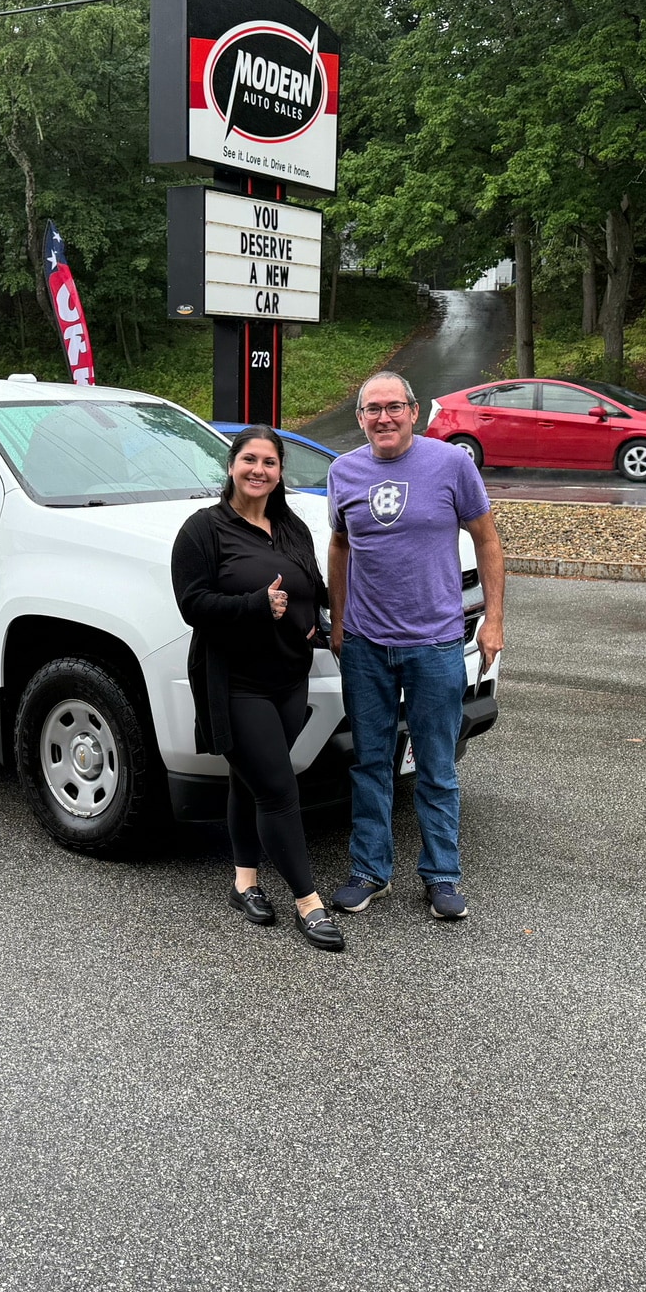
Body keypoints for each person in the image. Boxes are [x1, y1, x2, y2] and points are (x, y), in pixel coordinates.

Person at [326, 371, 505, 920]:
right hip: (365, 646)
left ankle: (442, 876)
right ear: (360, 418)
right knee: (371, 763)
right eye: (373, 409)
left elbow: (488, 540)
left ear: (413, 410)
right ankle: (369, 871)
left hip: (435, 644)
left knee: (435, 765)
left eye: (394, 407)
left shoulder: (452, 465)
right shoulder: (344, 471)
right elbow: (339, 546)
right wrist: (338, 621)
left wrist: (494, 620)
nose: (384, 417)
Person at [172, 427, 346, 953]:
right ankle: (308, 903)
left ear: (279, 472)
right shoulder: (203, 530)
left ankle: (244, 881)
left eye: (269, 462)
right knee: (277, 788)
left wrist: (314, 618)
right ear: (231, 465)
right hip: (234, 682)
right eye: (250, 459)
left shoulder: (291, 527)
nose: (259, 470)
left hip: (288, 681)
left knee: (248, 782)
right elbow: (192, 605)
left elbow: (312, 585)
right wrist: (254, 606)